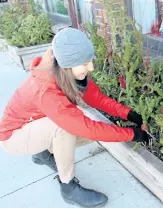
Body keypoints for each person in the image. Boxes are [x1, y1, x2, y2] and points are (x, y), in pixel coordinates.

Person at [0, 28, 149, 208]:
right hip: (14, 137)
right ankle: (68, 187)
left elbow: (97, 98)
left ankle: (43, 154)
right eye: (86, 63)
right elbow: (86, 127)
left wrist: (128, 113)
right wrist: (132, 135)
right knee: (65, 129)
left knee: (80, 130)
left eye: (90, 61)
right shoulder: (46, 90)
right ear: (67, 65)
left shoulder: (65, 70)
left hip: (33, 125)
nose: (91, 67)